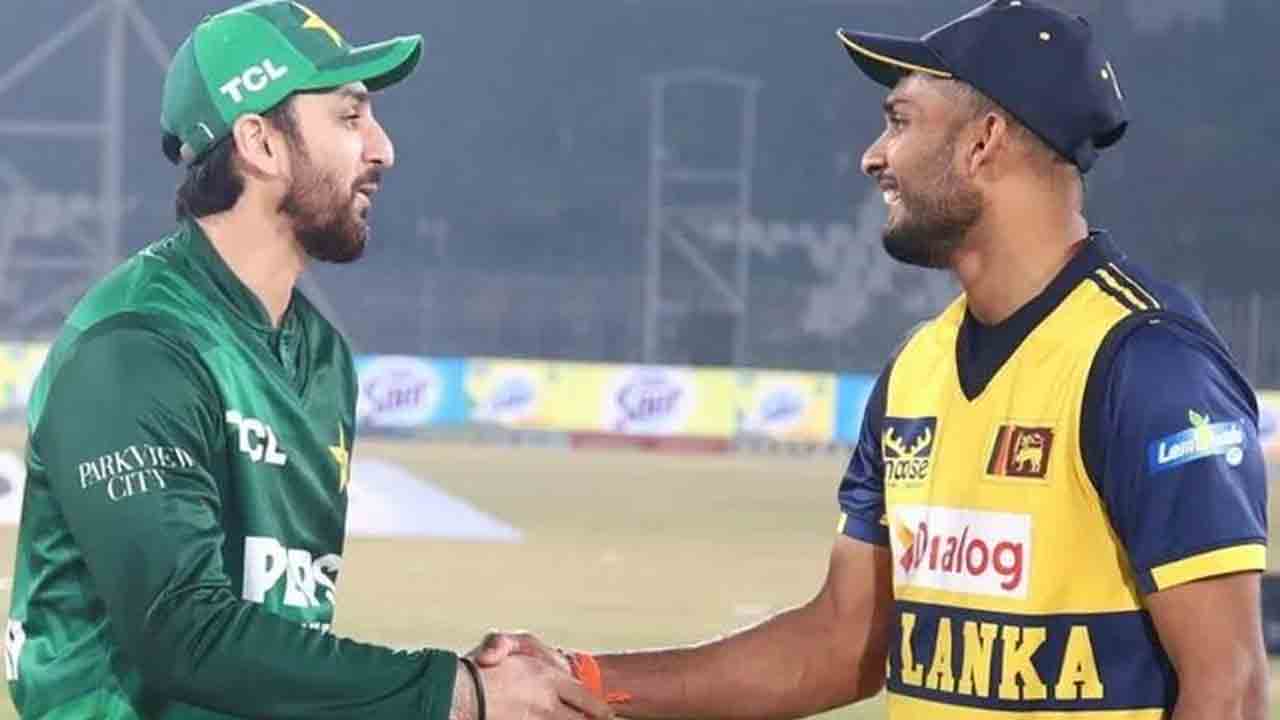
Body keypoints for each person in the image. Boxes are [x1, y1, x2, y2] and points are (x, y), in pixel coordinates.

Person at [480, 1, 1270, 718]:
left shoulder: (1146, 361)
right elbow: (837, 644)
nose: (872, 156)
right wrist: (581, 680)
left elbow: (1228, 689)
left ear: (985, 141)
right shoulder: (917, 370)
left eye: (899, 121)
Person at [3, 2, 611, 719]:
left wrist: (476, 683)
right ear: (259, 142)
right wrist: (461, 695)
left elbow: (280, 642)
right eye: (350, 117)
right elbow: (183, 634)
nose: (383, 149)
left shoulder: (321, 356)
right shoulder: (135, 348)